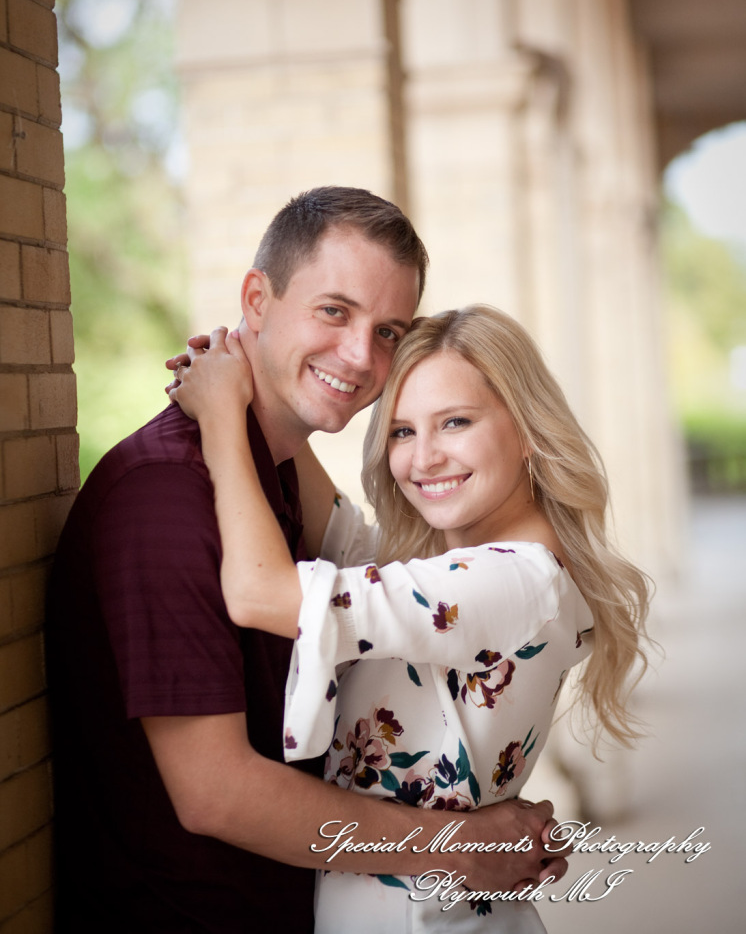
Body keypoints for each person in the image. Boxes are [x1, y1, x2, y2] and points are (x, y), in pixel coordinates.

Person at [46, 188, 570, 934]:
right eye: (333, 310)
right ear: (256, 299)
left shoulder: (277, 487)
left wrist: (230, 406)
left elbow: (317, 555)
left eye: (387, 331)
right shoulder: (163, 499)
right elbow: (215, 793)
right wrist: (459, 846)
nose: (359, 355)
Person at [169, 304, 650, 932]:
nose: (424, 460)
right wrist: (258, 367)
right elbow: (341, 530)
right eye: (401, 431)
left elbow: (260, 593)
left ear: (529, 428)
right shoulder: (466, 576)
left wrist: (220, 417)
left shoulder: (510, 582)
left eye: (455, 422)